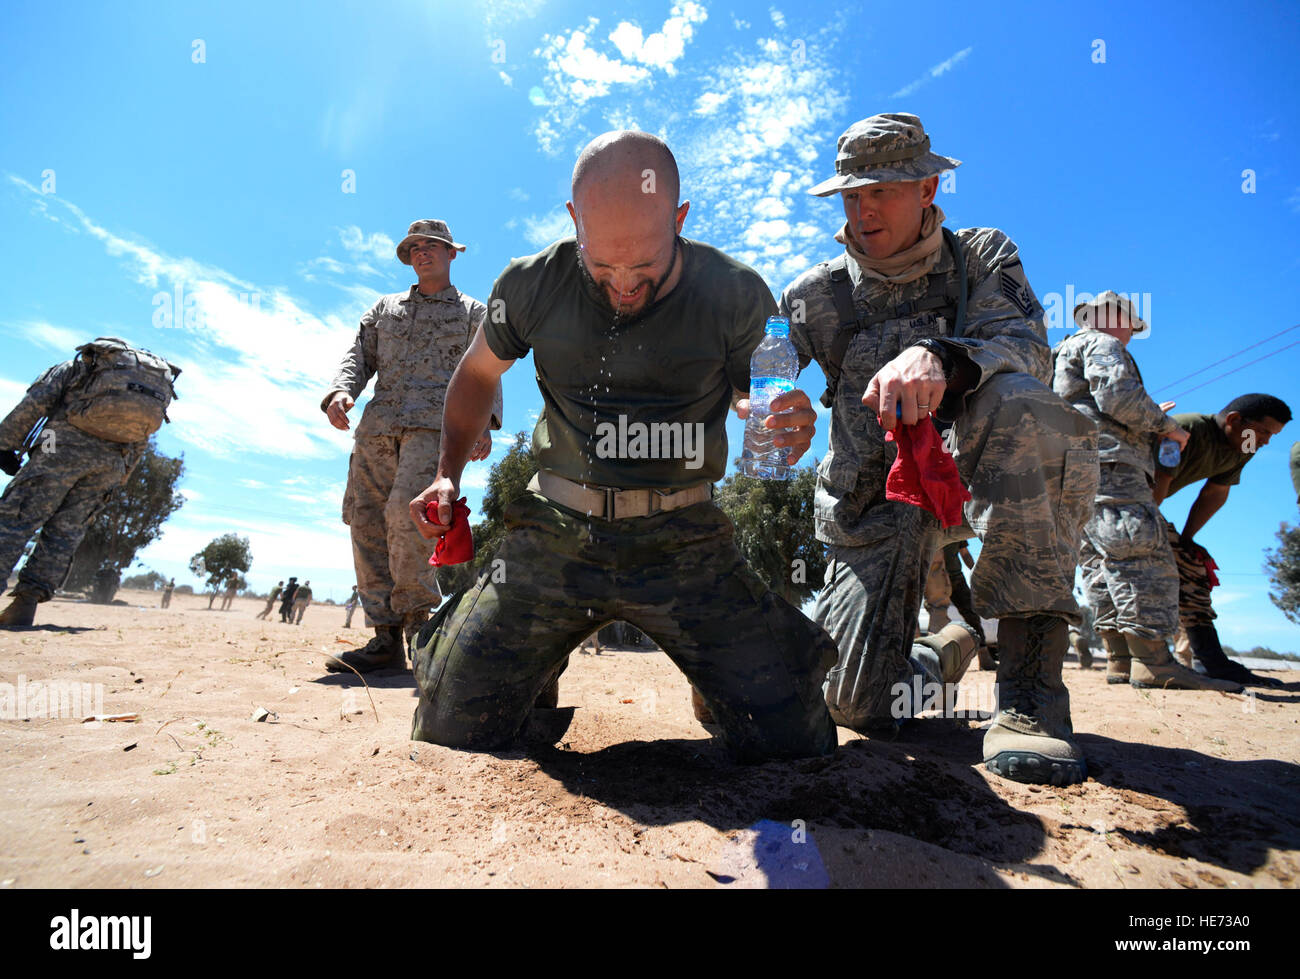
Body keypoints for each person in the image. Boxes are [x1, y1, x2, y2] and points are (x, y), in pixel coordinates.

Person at [406, 130, 838, 763]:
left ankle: (718, 679)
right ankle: (526, 665)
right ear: (574, 220)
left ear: (680, 219)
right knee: (451, 731)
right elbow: (475, 375)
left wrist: (774, 420)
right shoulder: (530, 284)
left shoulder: (736, 292)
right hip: (556, 531)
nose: (625, 285)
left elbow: (756, 398)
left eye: (645, 264)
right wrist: (448, 474)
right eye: (604, 265)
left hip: (684, 535)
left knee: (793, 743)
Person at [778, 113, 1098, 785]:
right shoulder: (812, 295)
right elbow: (756, 375)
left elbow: (1031, 350)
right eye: (851, 194)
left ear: (927, 187)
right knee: (855, 705)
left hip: (971, 482)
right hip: (873, 511)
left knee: (1029, 408)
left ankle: (1030, 694)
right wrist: (765, 408)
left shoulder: (981, 257)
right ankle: (942, 651)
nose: (863, 211)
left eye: (883, 191)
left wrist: (940, 357)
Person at [322, 220, 503, 674]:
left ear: (451, 253)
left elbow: (486, 369)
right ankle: (383, 638)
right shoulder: (385, 308)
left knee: (409, 517)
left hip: (434, 430)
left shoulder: (471, 313)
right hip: (377, 430)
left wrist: (486, 423)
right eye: (415, 247)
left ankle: (422, 634)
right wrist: (341, 390)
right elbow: (358, 355)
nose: (423, 252)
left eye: (432, 246)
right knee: (364, 521)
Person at [1053, 292, 1239, 692]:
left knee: (1099, 561)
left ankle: (1121, 657)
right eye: (1130, 326)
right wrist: (1165, 424)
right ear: (1114, 318)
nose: (1130, 336)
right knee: (1141, 554)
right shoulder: (1102, 343)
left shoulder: (1061, 350)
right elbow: (1117, 396)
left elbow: (1098, 401)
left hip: (1074, 467)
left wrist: (1147, 414)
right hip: (1112, 464)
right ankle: (1153, 660)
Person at [0, 338, 180, 628]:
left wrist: (6, 444)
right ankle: (25, 604)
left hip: (58, 447)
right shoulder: (147, 390)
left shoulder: (78, 367)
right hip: (110, 463)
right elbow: (141, 438)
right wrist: (121, 476)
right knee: (64, 533)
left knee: (15, 518)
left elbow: (36, 402)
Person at [1152, 393, 1291, 687]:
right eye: (1264, 431)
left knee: (1193, 566)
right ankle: (1133, 659)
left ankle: (1211, 661)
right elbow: (1159, 478)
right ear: (1234, 420)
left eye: (1272, 435)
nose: (1266, 441)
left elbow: (1216, 492)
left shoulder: (1244, 446)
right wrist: (1146, 525)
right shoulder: (1187, 428)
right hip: (1115, 499)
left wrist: (1187, 540)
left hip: (1146, 506)